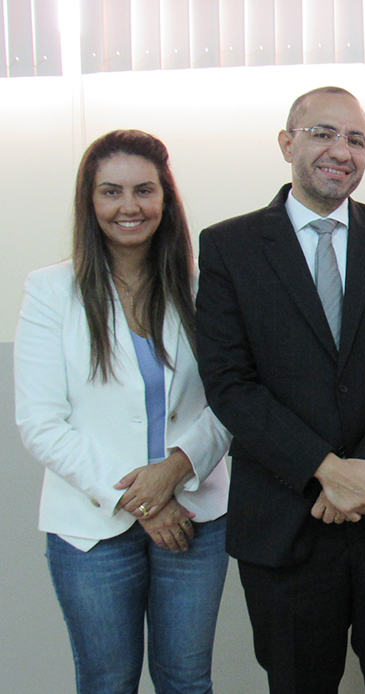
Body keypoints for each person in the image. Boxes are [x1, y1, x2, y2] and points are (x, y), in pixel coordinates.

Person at [195, 86, 365, 694]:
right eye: (323, 134)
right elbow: (230, 383)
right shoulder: (229, 246)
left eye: (357, 140)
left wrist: (364, 474)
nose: (342, 150)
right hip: (287, 523)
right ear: (287, 143)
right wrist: (324, 469)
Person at [14, 129, 232, 693]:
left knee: (187, 680)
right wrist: (143, 499)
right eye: (111, 191)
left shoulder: (204, 287)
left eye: (144, 190)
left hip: (195, 512)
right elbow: (41, 422)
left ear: (165, 198)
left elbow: (233, 396)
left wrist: (176, 469)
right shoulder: (50, 291)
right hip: (92, 526)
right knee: (107, 682)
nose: (128, 206)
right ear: (90, 201)